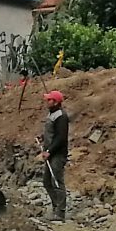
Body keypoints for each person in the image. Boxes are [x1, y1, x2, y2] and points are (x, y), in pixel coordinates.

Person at [39, 90, 70, 221]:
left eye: (49, 100)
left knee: (57, 182)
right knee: (47, 182)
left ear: (56, 102)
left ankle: (60, 212)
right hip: (50, 154)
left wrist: (49, 151)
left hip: (57, 154)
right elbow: (51, 132)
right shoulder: (52, 114)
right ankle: (55, 206)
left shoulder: (61, 116)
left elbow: (61, 138)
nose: (47, 102)